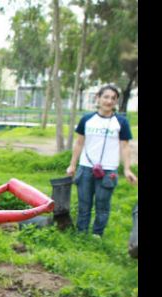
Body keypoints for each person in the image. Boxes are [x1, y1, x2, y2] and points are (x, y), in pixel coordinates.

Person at [66, 84, 138, 236]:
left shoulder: (121, 122)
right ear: (98, 98)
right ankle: (81, 233)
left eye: (113, 98)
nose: (109, 101)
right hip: (85, 168)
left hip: (108, 171)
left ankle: (97, 235)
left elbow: (125, 147)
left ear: (116, 102)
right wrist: (72, 165)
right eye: (106, 97)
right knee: (84, 204)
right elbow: (79, 143)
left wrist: (127, 169)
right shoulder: (87, 119)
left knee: (102, 206)